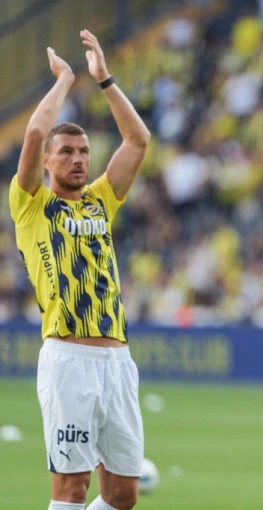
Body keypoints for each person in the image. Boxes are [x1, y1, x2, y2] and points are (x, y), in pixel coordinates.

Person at [9, 31, 151, 510]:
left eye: (84, 151)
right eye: (67, 152)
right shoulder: (31, 205)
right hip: (68, 360)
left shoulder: (100, 200)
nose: (77, 159)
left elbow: (138, 140)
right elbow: (34, 134)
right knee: (72, 489)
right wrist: (65, 81)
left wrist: (105, 80)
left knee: (123, 494)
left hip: (119, 362)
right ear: (47, 162)